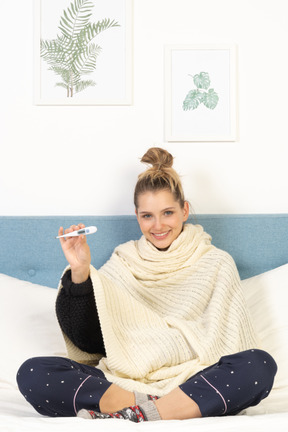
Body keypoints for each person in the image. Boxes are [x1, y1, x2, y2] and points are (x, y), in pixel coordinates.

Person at [17, 147, 277, 422]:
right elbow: (90, 342)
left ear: (184, 210)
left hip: (193, 380)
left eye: (167, 213)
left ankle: (133, 414)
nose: (158, 225)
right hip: (124, 380)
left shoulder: (216, 263)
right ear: (137, 215)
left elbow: (233, 346)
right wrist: (80, 271)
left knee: (259, 365)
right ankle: (152, 409)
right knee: (33, 372)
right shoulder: (123, 262)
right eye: (147, 216)